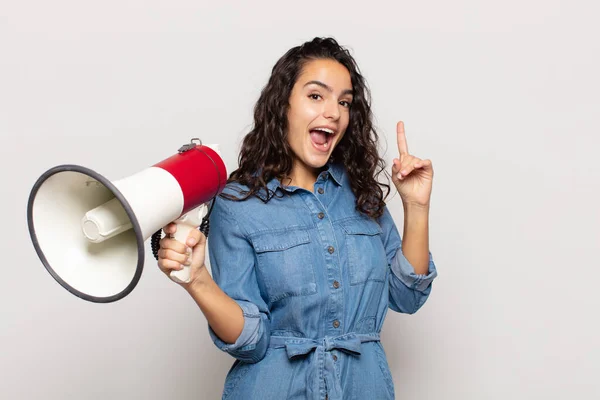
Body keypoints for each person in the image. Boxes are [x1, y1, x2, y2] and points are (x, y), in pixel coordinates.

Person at [157, 37, 438, 400]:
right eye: (316, 96)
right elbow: (251, 342)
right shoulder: (237, 204)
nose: (334, 112)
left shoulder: (362, 195)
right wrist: (197, 280)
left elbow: (407, 297)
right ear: (283, 105)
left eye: (344, 102)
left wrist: (416, 207)